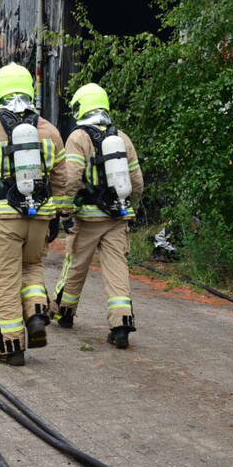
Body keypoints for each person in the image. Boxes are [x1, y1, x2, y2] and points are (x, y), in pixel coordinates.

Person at [0, 63, 71, 365]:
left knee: (5, 280)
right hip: (40, 218)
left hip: (5, 217)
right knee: (31, 268)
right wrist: (60, 214)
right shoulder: (50, 130)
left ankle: (10, 347)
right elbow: (62, 179)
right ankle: (37, 310)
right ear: (30, 89)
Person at [53, 83, 144, 349]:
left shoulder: (79, 137)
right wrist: (130, 207)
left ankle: (65, 312)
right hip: (118, 217)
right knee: (117, 269)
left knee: (76, 265)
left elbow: (71, 178)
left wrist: (65, 210)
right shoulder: (122, 138)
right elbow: (137, 181)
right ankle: (121, 324)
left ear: (81, 106)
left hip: (88, 218)